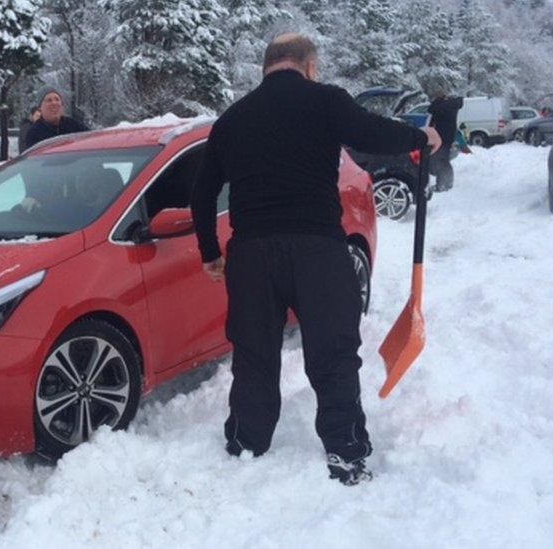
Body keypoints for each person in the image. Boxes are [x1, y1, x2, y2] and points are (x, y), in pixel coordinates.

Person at [190, 33, 441, 486]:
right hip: (317, 252)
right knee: (333, 353)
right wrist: (419, 136)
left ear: (266, 66)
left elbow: (202, 191)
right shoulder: (325, 100)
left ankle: (248, 441)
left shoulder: (232, 119)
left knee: (254, 353)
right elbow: (371, 131)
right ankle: (345, 450)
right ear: (308, 65)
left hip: (252, 256)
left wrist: (210, 250)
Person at [22, 87, 89, 151]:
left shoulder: (74, 125)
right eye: (49, 100)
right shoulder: (34, 133)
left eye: (57, 99)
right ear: (40, 107)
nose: (54, 103)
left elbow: (91, 140)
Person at [427, 88, 463, 191]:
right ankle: (446, 183)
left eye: (436, 96)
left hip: (443, 137)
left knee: (441, 161)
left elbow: (431, 109)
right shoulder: (450, 105)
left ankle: (443, 185)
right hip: (446, 137)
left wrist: (437, 101)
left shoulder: (445, 106)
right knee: (443, 160)